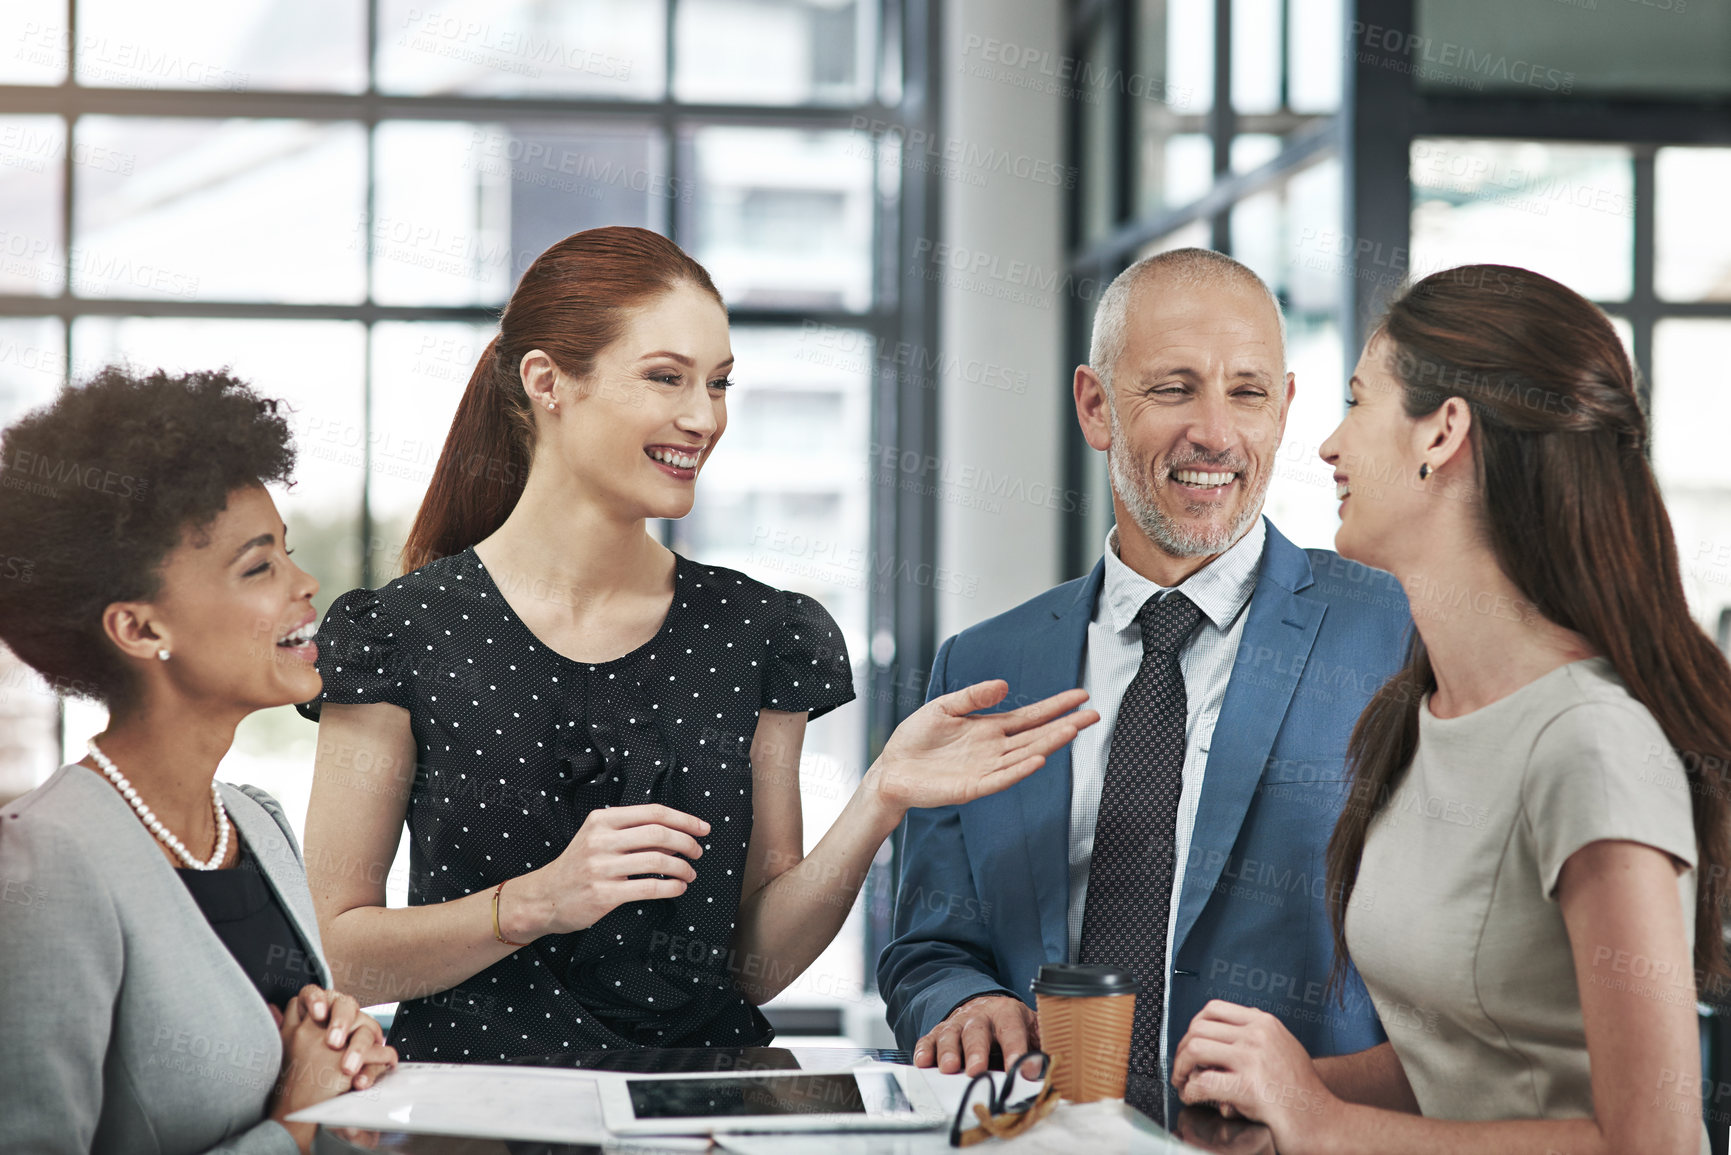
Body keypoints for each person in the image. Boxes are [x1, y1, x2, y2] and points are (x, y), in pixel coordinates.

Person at [296, 224, 1098, 1062]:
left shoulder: (760, 633)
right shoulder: (397, 635)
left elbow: (752, 968)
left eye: (718, 383)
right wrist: (533, 902)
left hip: (700, 1118)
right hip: (475, 1121)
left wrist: (880, 799)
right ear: (547, 382)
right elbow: (338, 950)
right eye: (665, 378)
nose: (702, 416)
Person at [1167, 265, 1731, 1155]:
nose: (1327, 446)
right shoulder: (1422, 713)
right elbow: (1470, 1051)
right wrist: (1289, 1082)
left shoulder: (1589, 743)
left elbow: (1653, 1144)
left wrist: (1323, 1121)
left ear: (1442, 433)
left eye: (1357, 402)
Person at [879, 248, 1414, 1123]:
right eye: (1173, 389)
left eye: (1245, 393)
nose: (1213, 431)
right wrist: (958, 1001)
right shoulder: (983, 667)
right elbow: (929, 944)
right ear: (1095, 405)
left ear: (1282, 410)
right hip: (1038, 1135)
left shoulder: (1392, 630)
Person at [0, 367, 397, 1154]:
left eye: (286, 550)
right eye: (260, 567)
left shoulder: (255, 823)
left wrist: (348, 1062)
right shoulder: (44, 864)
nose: (306, 581)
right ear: (140, 630)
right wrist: (295, 1128)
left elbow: (301, 1073)